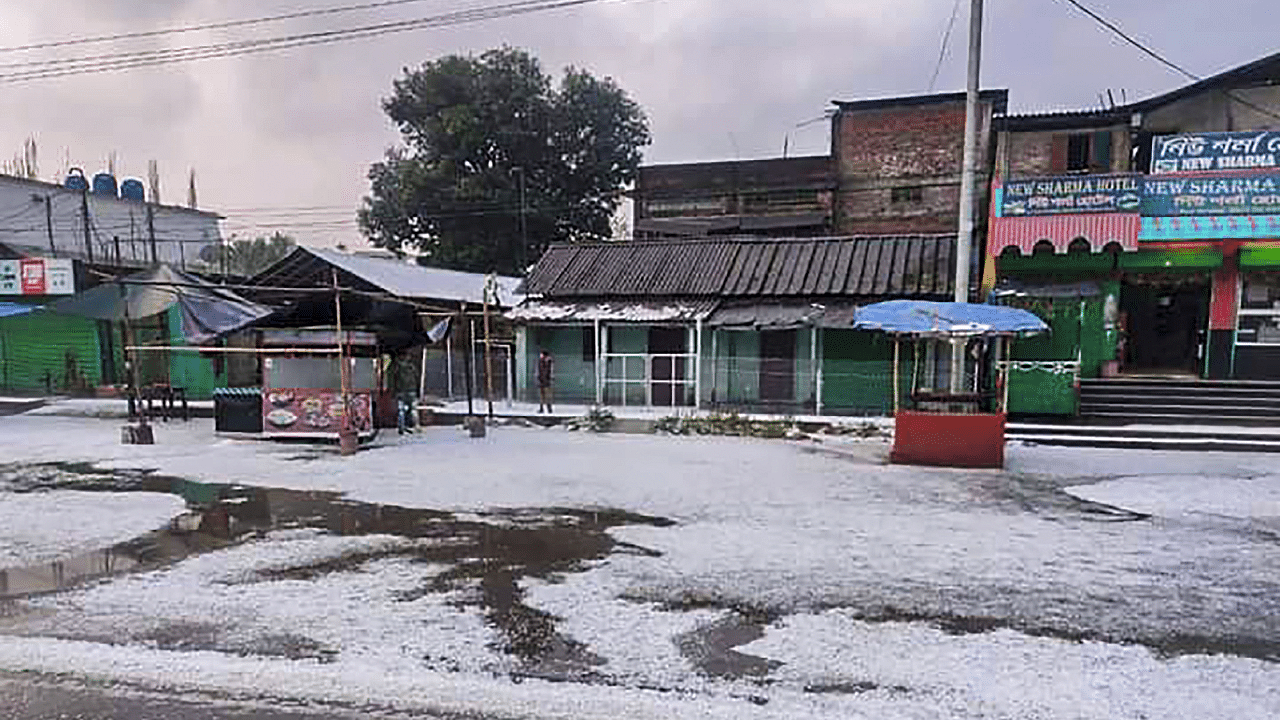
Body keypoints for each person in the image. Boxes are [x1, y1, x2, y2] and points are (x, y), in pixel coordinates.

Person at [537, 349, 554, 413]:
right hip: (543, 380)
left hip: (546, 381)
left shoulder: (547, 361)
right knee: (542, 395)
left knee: (547, 395)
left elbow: (546, 371)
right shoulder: (542, 361)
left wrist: (544, 378)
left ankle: (548, 408)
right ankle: (542, 408)